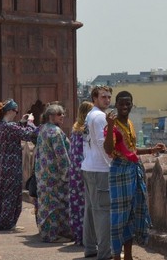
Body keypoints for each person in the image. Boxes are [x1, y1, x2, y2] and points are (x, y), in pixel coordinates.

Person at [104, 91, 166, 260]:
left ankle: (129, 255)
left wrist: (151, 150)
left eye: (128, 103)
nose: (125, 107)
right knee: (118, 217)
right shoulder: (113, 125)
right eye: (121, 104)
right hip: (119, 171)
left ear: (132, 105)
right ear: (116, 105)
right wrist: (110, 126)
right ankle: (117, 255)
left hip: (132, 170)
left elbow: (131, 150)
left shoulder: (130, 124)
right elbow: (109, 149)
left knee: (132, 214)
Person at [0, 99, 38, 231]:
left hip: (2, 166)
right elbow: (29, 134)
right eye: (16, 111)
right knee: (12, 196)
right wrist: (30, 122)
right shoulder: (10, 127)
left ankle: (4, 223)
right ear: (10, 111)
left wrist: (21, 122)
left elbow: (15, 130)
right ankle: (7, 224)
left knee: (4, 196)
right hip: (11, 166)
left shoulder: (0, 125)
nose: (16, 114)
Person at [34, 102, 72, 242]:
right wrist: (67, 174)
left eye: (63, 113)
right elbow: (61, 155)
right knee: (55, 206)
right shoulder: (55, 132)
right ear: (51, 116)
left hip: (43, 174)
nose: (62, 116)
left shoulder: (43, 129)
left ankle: (50, 233)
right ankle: (52, 235)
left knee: (46, 204)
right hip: (54, 176)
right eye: (58, 114)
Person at [82, 86, 113, 260]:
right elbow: (103, 145)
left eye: (109, 97)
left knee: (91, 210)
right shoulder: (100, 117)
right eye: (103, 97)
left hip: (88, 167)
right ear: (95, 98)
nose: (107, 100)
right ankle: (105, 253)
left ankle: (90, 248)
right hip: (100, 169)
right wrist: (112, 165)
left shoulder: (90, 115)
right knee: (102, 211)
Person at [69, 101, 94, 246]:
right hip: (86, 170)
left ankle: (79, 236)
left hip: (74, 172)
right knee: (89, 204)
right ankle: (90, 238)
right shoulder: (87, 129)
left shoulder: (75, 129)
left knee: (77, 204)